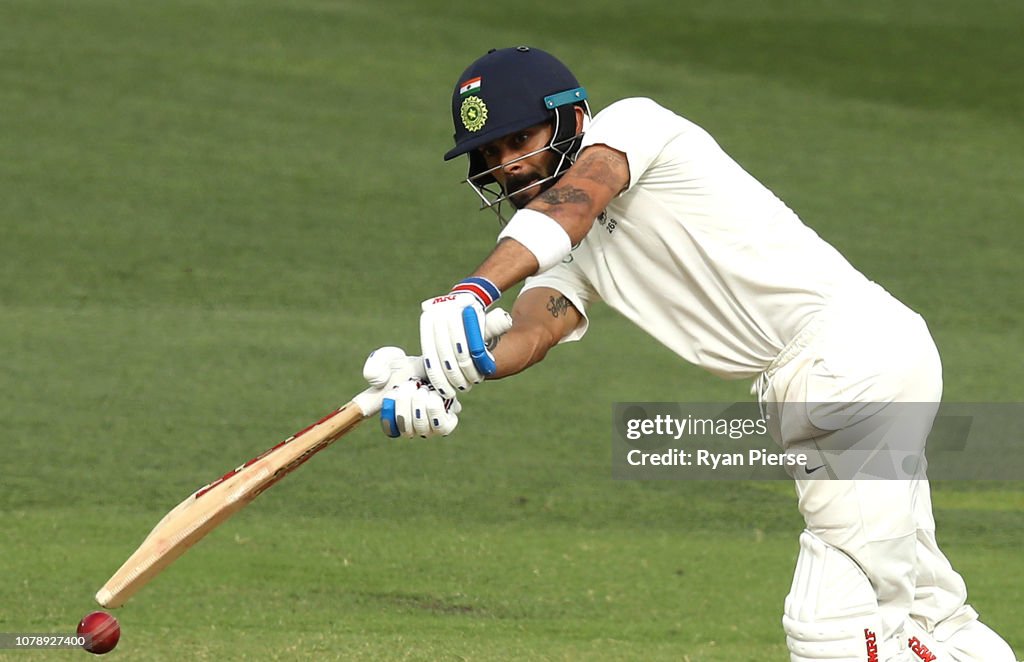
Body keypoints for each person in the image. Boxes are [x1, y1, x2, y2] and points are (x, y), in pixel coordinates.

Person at [370, 46, 1016, 661]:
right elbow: (534, 328)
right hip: (823, 375)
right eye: (491, 152)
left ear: (570, 118)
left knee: (834, 627)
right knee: (927, 611)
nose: (508, 164)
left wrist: (473, 288)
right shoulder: (569, 246)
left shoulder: (631, 129)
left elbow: (580, 196)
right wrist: (451, 370)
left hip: (851, 360)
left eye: (521, 141)